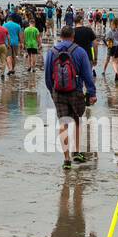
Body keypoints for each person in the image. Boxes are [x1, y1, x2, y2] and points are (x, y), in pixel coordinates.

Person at [44, 24, 97, 169]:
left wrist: (52, 90)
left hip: (58, 92)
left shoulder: (51, 52)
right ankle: (77, 152)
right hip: (76, 91)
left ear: (60, 36)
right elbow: (87, 74)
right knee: (77, 121)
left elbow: (47, 75)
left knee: (63, 124)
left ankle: (66, 159)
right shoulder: (80, 51)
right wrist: (92, 93)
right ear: (73, 36)